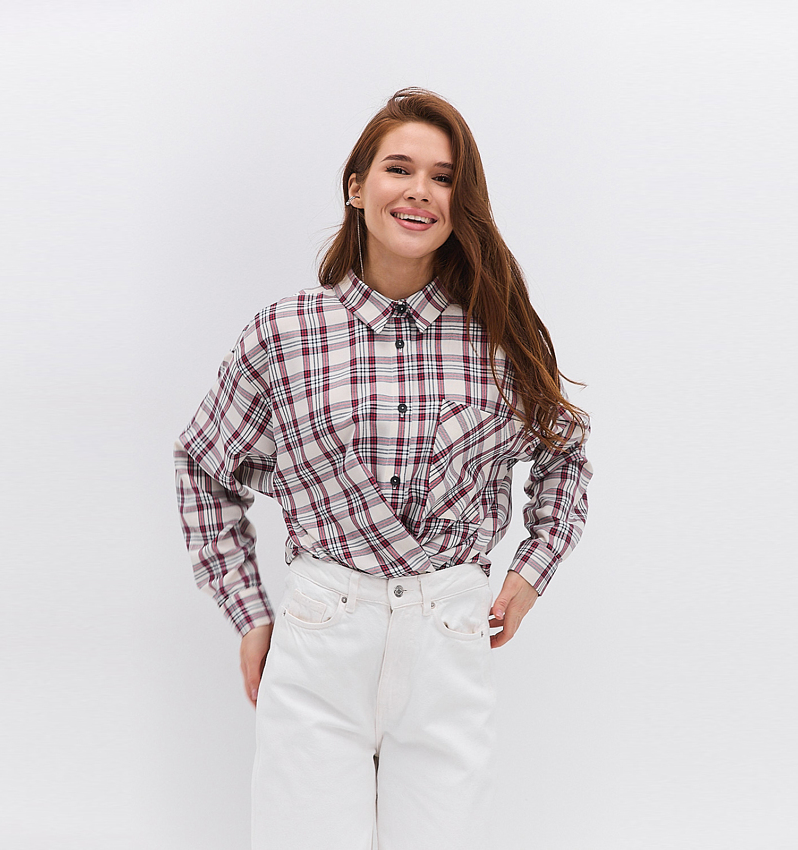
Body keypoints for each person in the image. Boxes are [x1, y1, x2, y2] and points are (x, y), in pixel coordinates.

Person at [174, 87, 592, 850]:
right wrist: (249, 613)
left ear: (461, 204)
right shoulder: (285, 332)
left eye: (444, 177)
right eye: (400, 168)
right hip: (321, 634)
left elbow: (563, 453)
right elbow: (204, 465)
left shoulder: (497, 337)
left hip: (448, 637)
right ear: (357, 186)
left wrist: (531, 573)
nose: (420, 190)